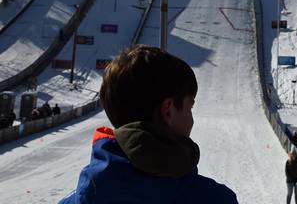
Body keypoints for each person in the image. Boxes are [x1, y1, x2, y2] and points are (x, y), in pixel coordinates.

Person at [57, 44, 237, 203]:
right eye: (189, 108)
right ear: (169, 110)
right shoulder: (215, 198)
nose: (191, 120)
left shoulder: (83, 196)